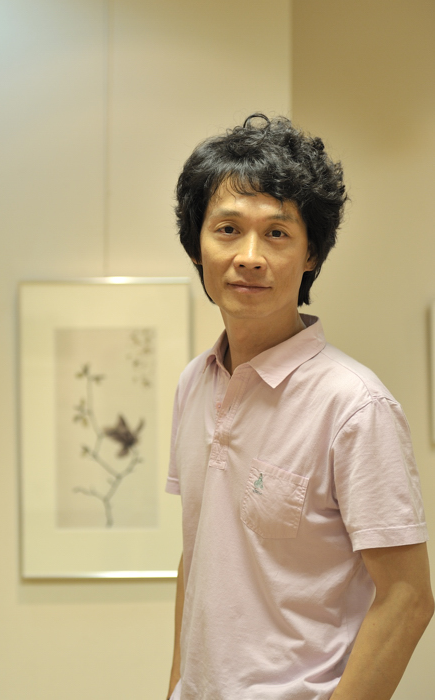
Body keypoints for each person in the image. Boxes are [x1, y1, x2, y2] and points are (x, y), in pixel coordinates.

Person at [165, 114, 434, 700]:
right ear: (197, 247)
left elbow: (408, 598)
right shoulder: (194, 383)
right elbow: (198, 557)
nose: (250, 256)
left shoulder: (354, 405)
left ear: (311, 253)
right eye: (227, 229)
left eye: (277, 234)